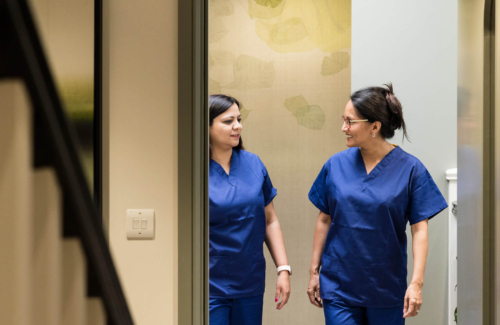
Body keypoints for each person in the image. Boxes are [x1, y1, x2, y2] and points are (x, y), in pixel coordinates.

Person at [306, 84, 448, 325]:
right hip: (339, 284)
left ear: (374, 126)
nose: (343, 128)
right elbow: (324, 219)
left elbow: (419, 228)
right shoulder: (335, 164)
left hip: (386, 287)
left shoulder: (411, 169)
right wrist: (314, 272)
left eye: (350, 122)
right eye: (343, 120)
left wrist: (416, 283)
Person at [209, 94, 291, 325]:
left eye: (239, 119)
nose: (238, 126)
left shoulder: (253, 164)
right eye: (228, 121)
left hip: (249, 278)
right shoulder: (194, 170)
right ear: (205, 126)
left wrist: (283, 269)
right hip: (208, 281)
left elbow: (270, 219)